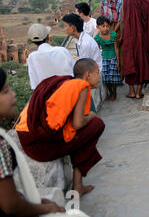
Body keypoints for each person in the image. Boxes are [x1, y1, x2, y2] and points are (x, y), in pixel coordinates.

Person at [0, 68, 84, 217]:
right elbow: (10, 204)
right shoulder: (1, 146)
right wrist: (42, 209)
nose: (13, 94)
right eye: (5, 91)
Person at [16, 59, 105, 198]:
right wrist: (92, 115)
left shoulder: (66, 83)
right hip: (39, 145)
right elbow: (78, 123)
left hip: (26, 137)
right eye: (97, 72)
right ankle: (77, 186)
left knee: (82, 135)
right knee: (96, 124)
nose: (99, 76)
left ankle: (77, 186)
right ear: (88, 74)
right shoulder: (81, 86)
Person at [120, 0, 149, 99]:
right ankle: (138, 93)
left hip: (129, 37)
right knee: (142, 61)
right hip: (143, 37)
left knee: (129, 60)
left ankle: (131, 91)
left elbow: (122, 18)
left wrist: (121, 35)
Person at [26, 23, 75, 90]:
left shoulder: (32, 57)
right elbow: (75, 71)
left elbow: (34, 85)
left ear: (32, 41)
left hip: (49, 97)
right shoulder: (61, 51)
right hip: (68, 91)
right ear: (48, 37)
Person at [94, 16, 121, 101]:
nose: (106, 28)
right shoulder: (97, 38)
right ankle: (110, 92)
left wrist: (118, 62)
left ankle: (114, 93)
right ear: (98, 27)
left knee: (113, 77)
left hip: (113, 57)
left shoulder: (113, 34)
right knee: (106, 78)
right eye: (103, 26)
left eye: (107, 26)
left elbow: (116, 48)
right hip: (104, 58)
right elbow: (97, 51)